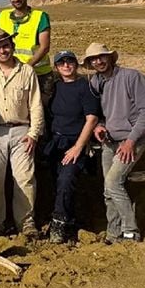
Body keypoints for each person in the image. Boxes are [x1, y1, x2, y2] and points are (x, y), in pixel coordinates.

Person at [82, 42, 145, 244]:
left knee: (114, 182)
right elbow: (101, 113)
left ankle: (130, 231)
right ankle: (113, 234)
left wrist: (131, 141)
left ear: (110, 57)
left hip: (132, 139)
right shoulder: (96, 83)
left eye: (101, 57)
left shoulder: (132, 77)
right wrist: (100, 126)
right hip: (109, 141)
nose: (98, 61)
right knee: (108, 191)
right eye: (93, 59)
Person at [0, 27, 44, 237]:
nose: (2, 51)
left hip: (21, 130)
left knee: (24, 179)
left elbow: (36, 105)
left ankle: (26, 223)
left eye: (5, 46)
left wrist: (33, 134)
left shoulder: (27, 71)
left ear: (12, 47)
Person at [40, 50, 101, 244]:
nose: (66, 66)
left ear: (76, 64)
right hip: (55, 143)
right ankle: (69, 220)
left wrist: (78, 147)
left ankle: (59, 224)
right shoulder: (55, 88)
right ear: (56, 67)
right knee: (56, 183)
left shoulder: (85, 87)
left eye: (70, 62)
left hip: (75, 143)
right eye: (61, 63)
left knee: (66, 181)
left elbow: (92, 119)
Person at [0, 0, 54, 103]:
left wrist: (26, 68)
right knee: (19, 106)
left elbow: (44, 47)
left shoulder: (40, 16)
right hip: (13, 73)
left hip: (39, 74)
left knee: (41, 107)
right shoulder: (2, 16)